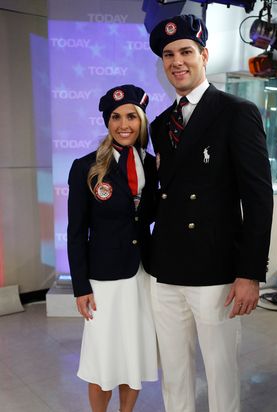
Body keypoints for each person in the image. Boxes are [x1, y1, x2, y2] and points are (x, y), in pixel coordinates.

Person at [148, 14, 274, 412]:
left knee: (220, 373)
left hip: (214, 270)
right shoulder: (160, 124)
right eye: (169, 54)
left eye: (186, 51)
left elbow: (258, 199)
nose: (177, 61)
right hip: (166, 269)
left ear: (204, 55)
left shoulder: (237, 112)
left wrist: (250, 273)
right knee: (174, 373)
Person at [67, 84, 158, 412]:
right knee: (103, 359)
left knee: (132, 353)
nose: (124, 124)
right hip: (103, 280)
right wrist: (81, 287)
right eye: (116, 117)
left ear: (142, 121)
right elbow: (75, 233)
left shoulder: (151, 164)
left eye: (132, 116)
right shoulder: (86, 167)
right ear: (107, 122)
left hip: (141, 276)